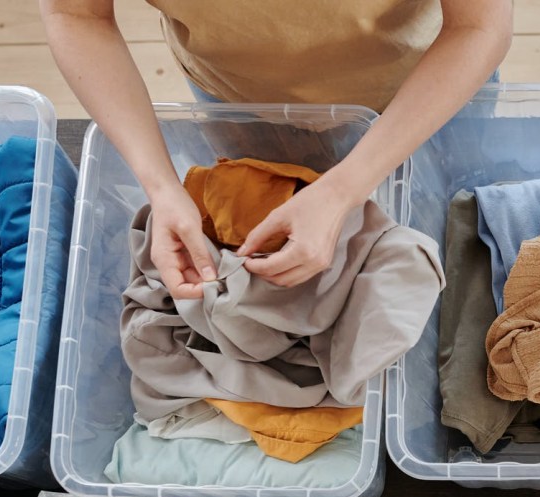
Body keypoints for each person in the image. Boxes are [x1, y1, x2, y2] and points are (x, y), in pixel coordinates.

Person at [40, 0, 513, 297]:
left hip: (427, 87)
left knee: (451, 224)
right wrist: (162, 187)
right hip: (238, 100)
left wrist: (340, 190)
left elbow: (478, 25)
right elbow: (75, 14)